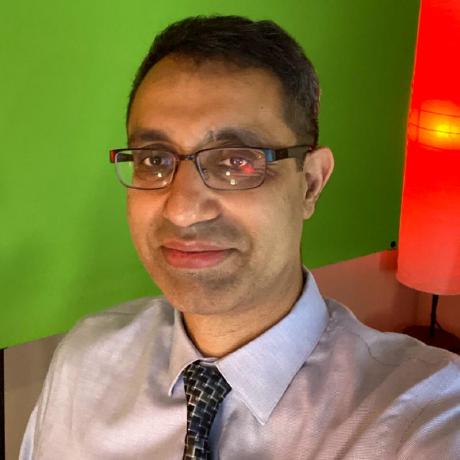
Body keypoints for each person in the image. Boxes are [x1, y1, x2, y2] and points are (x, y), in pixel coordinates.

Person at [21, 15, 460, 460]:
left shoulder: (425, 418)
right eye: (155, 160)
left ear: (310, 184)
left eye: (237, 162)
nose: (182, 209)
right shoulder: (85, 363)